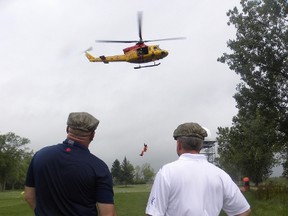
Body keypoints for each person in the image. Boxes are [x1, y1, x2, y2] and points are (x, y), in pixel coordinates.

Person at [145, 122, 251, 216]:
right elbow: (243, 210)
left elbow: (154, 213)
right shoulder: (220, 174)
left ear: (179, 145)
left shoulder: (167, 172)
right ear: (200, 146)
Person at [24, 112, 117, 216]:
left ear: (67, 129)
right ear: (93, 135)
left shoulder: (40, 156)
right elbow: (108, 214)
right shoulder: (99, 167)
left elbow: (29, 196)